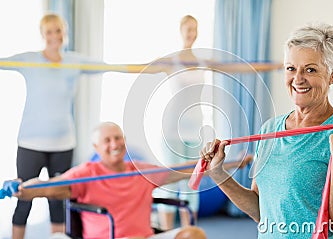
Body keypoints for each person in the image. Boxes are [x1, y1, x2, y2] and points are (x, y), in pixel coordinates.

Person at [200, 22, 333, 238]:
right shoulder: (270, 129)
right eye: (291, 68)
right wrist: (218, 173)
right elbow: (261, 210)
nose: (298, 79)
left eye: (310, 69)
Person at [13, 122, 250, 239]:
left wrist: (234, 162)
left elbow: (191, 169)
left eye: (117, 138)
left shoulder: (141, 171)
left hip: (145, 238)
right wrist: (23, 190)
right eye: (107, 140)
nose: (114, 144)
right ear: (96, 147)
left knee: (193, 234)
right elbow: (48, 188)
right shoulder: (85, 172)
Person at [0, 13, 114, 239]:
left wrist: (154, 67)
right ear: (43, 35)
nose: (54, 36)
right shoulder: (29, 59)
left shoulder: (74, 62)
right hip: (30, 144)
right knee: (24, 200)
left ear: (65, 33)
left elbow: (112, 67)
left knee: (57, 201)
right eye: (49, 31)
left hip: (63, 144)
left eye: (58, 31)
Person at [154, 15, 206, 230]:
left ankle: (188, 232)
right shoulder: (172, 60)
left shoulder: (203, 61)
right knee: (170, 180)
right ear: (180, 31)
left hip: (195, 129)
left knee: (192, 183)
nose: (190, 33)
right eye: (187, 29)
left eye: (194, 29)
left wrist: (277, 66)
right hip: (172, 128)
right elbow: (144, 68)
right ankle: (166, 234)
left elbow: (235, 67)